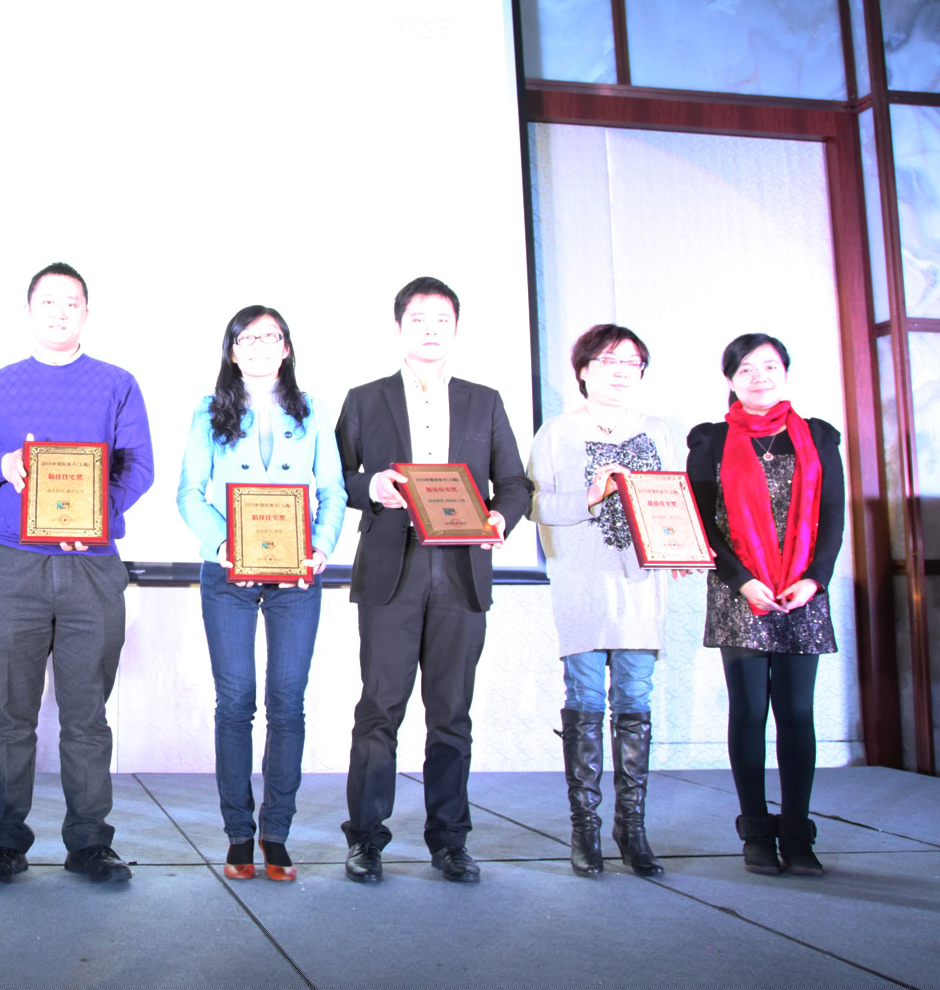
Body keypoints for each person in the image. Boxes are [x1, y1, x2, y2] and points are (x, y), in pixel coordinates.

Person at [0, 262, 154, 884]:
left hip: (92, 566)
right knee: (10, 715)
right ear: (28, 310)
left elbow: (138, 467)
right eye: (48, 301)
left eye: (72, 303)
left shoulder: (117, 384)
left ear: (87, 313)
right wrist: (2, 465)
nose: (60, 312)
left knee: (86, 715)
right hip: (14, 567)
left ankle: (89, 844)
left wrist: (93, 515)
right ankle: (4, 844)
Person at [334, 277, 530, 884]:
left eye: (442, 319)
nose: (430, 328)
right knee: (379, 709)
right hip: (391, 570)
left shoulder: (484, 401)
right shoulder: (365, 398)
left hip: (461, 570)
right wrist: (372, 486)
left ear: (456, 329)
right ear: (399, 327)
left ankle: (449, 841)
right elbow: (335, 476)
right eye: (418, 318)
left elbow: (514, 484)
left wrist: (500, 517)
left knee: (451, 714)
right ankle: (366, 839)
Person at [175, 305, 344, 882]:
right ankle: (238, 835)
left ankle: (276, 834)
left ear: (287, 347)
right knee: (236, 701)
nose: (260, 346)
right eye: (247, 338)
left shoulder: (312, 410)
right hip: (228, 575)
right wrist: (222, 544)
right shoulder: (208, 411)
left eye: (271, 336)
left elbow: (333, 490)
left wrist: (321, 546)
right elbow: (189, 492)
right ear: (232, 350)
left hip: (297, 576)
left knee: (288, 701)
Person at [687, 333, 843, 876]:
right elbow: (703, 521)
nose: (760, 377)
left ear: (786, 372)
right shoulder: (710, 440)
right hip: (740, 591)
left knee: (798, 714)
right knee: (750, 711)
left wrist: (815, 580)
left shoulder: (818, 436)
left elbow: (833, 515)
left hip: (803, 590)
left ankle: (798, 835)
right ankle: (755, 833)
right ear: (731, 379)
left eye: (770, 366)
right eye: (747, 369)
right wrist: (742, 581)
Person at [527, 324, 675, 878]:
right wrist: (592, 495)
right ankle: (585, 828)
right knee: (586, 697)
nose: (621, 371)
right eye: (609, 360)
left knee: (635, 697)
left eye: (632, 362)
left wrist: (683, 545)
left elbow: (675, 502)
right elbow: (538, 506)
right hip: (583, 582)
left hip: (641, 582)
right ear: (584, 370)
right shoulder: (558, 432)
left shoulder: (659, 431)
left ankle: (631, 827)